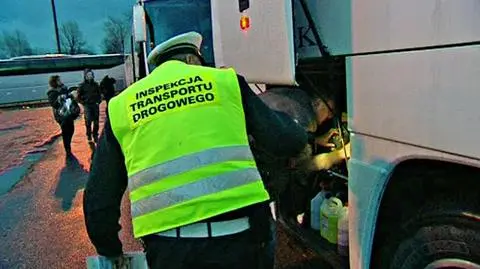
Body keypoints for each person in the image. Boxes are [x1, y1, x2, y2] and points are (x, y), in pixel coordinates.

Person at [83, 32, 307, 269]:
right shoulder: (225, 82)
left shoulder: (121, 106)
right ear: (193, 59)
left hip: (170, 253)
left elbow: (99, 199)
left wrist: (110, 250)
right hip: (244, 241)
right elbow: (285, 141)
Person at [47, 75, 77, 156]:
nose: (60, 81)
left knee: (71, 129)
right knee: (65, 131)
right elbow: (54, 104)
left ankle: (68, 144)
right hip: (60, 115)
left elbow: (69, 97)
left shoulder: (64, 88)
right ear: (55, 82)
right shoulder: (52, 92)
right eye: (58, 80)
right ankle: (67, 149)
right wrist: (61, 98)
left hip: (68, 112)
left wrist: (71, 95)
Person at [78, 68, 102, 143]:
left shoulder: (96, 84)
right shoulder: (82, 85)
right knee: (88, 121)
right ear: (85, 76)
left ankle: (95, 135)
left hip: (95, 104)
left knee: (96, 122)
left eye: (91, 74)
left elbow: (99, 94)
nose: (90, 76)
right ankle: (88, 135)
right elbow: (78, 96)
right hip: (87, 105)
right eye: (88, 75)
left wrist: (98, 101)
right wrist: (83, 103)